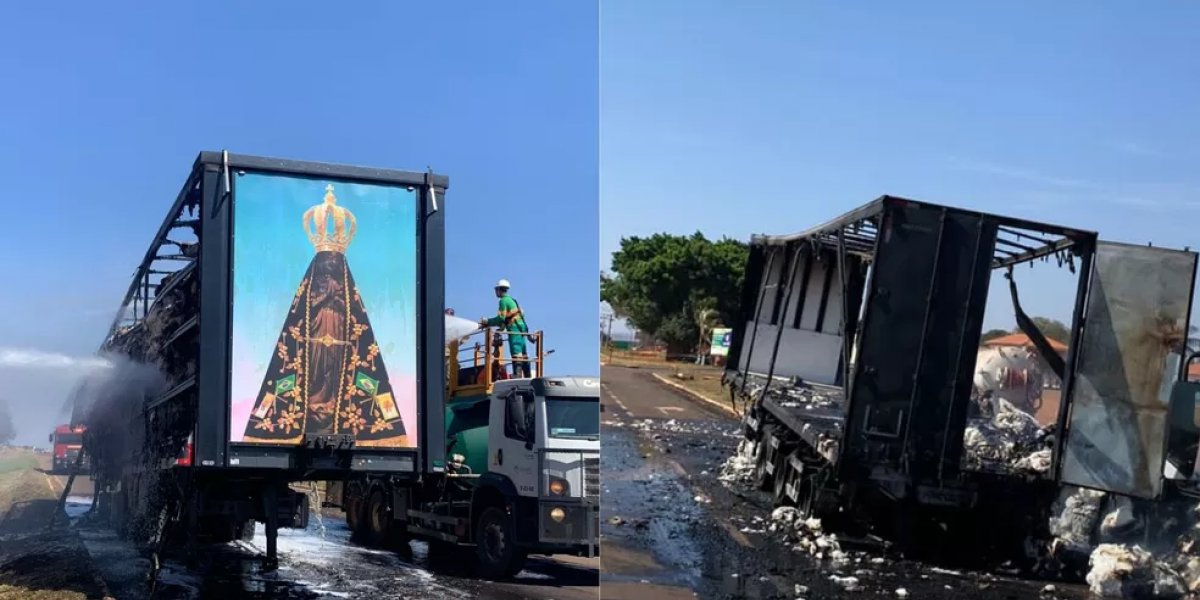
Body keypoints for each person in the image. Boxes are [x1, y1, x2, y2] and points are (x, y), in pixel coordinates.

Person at [480, 279, 531, 378]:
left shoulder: (503, 301)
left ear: (499, 289)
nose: (495, 292)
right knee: (523, 353)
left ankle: (517, 376)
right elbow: (506, 319)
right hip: (521, 328)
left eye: (496, 289)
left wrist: (487, 321)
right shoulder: (511, 300)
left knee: (516, 352)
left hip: (514, 328)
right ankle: (528, 377)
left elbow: (501, 319)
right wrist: (500, 329)